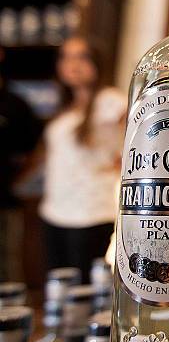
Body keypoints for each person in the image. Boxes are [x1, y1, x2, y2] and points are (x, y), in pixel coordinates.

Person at [38, 36, 126, 281]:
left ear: (96, 63)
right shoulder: (66, 108)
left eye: (82, 57)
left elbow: (143, 136)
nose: (73, 64)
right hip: (55, 211)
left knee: (84, 292)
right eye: (66, 57)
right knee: (58, 290)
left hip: (91, 214)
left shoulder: (110, 101)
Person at [0, 45, 43, 281]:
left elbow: (34, 151)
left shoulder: (15, 104)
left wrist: (15, 182)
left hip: (5, 203)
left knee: (7, 267)